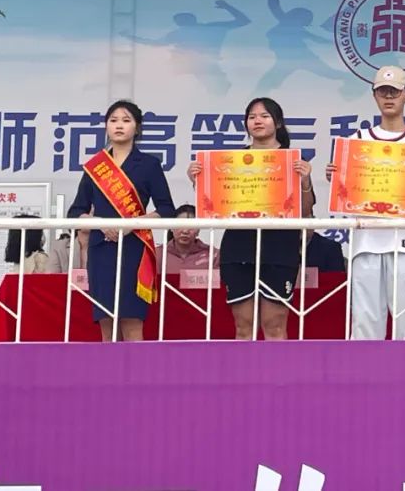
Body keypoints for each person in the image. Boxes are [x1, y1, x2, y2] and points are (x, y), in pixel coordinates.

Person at [325, 65, 405, 340]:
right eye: (383, 92)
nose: (389, 97)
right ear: (374, 96)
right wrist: (337, 177)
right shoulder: (357, 140)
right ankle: (366, 368)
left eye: (395, 92)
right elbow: (346, 190)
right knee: (365, 321)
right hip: (366, 241)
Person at [188, 97, 314, 341]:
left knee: (274, 325)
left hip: (280, 250)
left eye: (265, 116)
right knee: (243, 326)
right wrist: (199, 180)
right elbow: (215, 204)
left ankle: (277, 369)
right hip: (239, 248)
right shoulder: (230, 162)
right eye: (252, 117)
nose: (258, 121)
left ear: (278, 123)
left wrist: (305, 181)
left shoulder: (292, 161)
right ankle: (243, 368)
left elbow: (305, 211)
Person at [66, 100, 176, 342]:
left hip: (134, 248)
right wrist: (100, 223)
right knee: (106, 321)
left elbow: (167, 209)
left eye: (126, 120)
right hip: (101, 249)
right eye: (113, 120)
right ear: (106, 126)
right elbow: (75, 212)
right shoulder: (95, 167)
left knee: (132, 320)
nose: (119, 125)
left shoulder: (149, 164)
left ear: (137, 128)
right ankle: (108, 368)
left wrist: (131, 224)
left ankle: (136, 368)